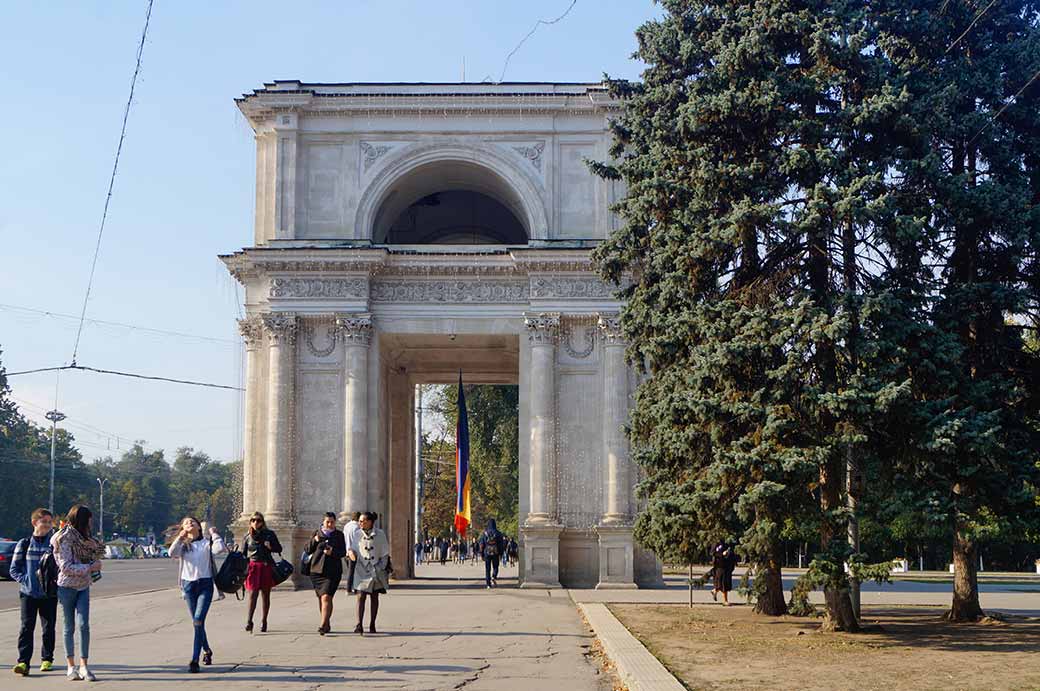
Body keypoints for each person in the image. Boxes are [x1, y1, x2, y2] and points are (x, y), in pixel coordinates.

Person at [51, 505, 104, 682]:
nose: (91, 522)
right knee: (69, 627)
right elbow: (65, 567)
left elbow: (99, 552)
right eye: (89, 518)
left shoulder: (86, 537)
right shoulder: (63, 538)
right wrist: (89, 567)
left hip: (83, 586)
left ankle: (84, 666)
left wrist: (95, 550)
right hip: (66, 587)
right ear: (82, 519)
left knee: (84, 625)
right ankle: (70, 666)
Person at [169, 516, 226, 673]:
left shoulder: (206, 543)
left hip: (205, 585)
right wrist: (180, 537)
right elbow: (171, 552)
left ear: (199, 527)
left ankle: (194, 659)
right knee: (197, 622)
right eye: (186, 523)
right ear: (183, 528)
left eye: (192, 522)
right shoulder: (184, 546)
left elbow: (219, 549)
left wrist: (214, 534)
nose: (190, 523)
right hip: (188, 586)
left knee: (198, 620)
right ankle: (207, 650)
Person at [11, 508, 57, 677]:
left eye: (49, 522)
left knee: (48, 628)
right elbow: (14, 569)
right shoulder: (24, 544)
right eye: (44, 522)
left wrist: (54, 583)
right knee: (26, 627)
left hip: (49, 595)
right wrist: (26, 581)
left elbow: (59, 566)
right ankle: (23, 662)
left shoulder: (53, 544)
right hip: (28, 594)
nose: (47, 525)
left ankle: (47, 659)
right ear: (34, 523)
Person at [306, 512, 347, 635]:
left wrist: (332, 552)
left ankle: (323, 625)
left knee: (326, 597)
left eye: (332, 522)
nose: (329, 524)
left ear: (335, 522)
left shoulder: (339, 535)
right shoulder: (316, 533)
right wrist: (315, 540)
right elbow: (307, 549)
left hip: (332, 572)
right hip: (316, 571)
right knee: (321, 597)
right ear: (323, 522)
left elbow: (343, 552)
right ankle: (326, 623)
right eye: (327, 522)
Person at [242, 511, 282, 633]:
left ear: (262, 522)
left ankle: (264, 620)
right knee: (252, 594)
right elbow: (244, 554)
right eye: (253, 520)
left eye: (258, 520)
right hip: (253, 567)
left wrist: (270, 547)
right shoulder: (247, 536)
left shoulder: (269, 534)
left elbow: (279, 548)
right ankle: (249, 621)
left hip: (265, 565)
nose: (255, 522)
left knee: (265, 595)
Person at [351, 511, 390, 635]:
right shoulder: (357, 534)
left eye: (363, 521)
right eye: (360, 521)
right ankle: (359, 625)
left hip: (375, 569)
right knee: (360, 596)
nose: (360, 523)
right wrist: (351, 552)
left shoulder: (380, 534)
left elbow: (385, 552)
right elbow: (353, 548)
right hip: (361, 569)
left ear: (370, 522)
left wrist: (380, 567)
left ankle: (372, 623)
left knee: (374, 596)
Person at [479, 519, 506, 589]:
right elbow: (501, 545)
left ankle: (488, 584)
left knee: (487, 569)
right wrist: (501, 554)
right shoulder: (498, 533)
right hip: (495, 553)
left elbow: (481, 545)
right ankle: (493, 576)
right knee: (495, 566)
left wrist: (481, 554)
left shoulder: (484, 533)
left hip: (487, 553)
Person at [710, 541, 738, 606]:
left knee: (724, 584)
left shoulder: (729, 543)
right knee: (723, 584)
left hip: (727, 566)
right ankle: (725, 601)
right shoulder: (716, 543)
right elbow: (712, 553)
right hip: (719, 566)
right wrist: (722, 554)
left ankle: (715, 591)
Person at [343, 512, 361, 594]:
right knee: (353, 571)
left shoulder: (346, 526)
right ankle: (349, 589)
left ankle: (352, 588)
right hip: (354, 552)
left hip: (346, 551)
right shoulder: (357, 527)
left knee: (350, 571)